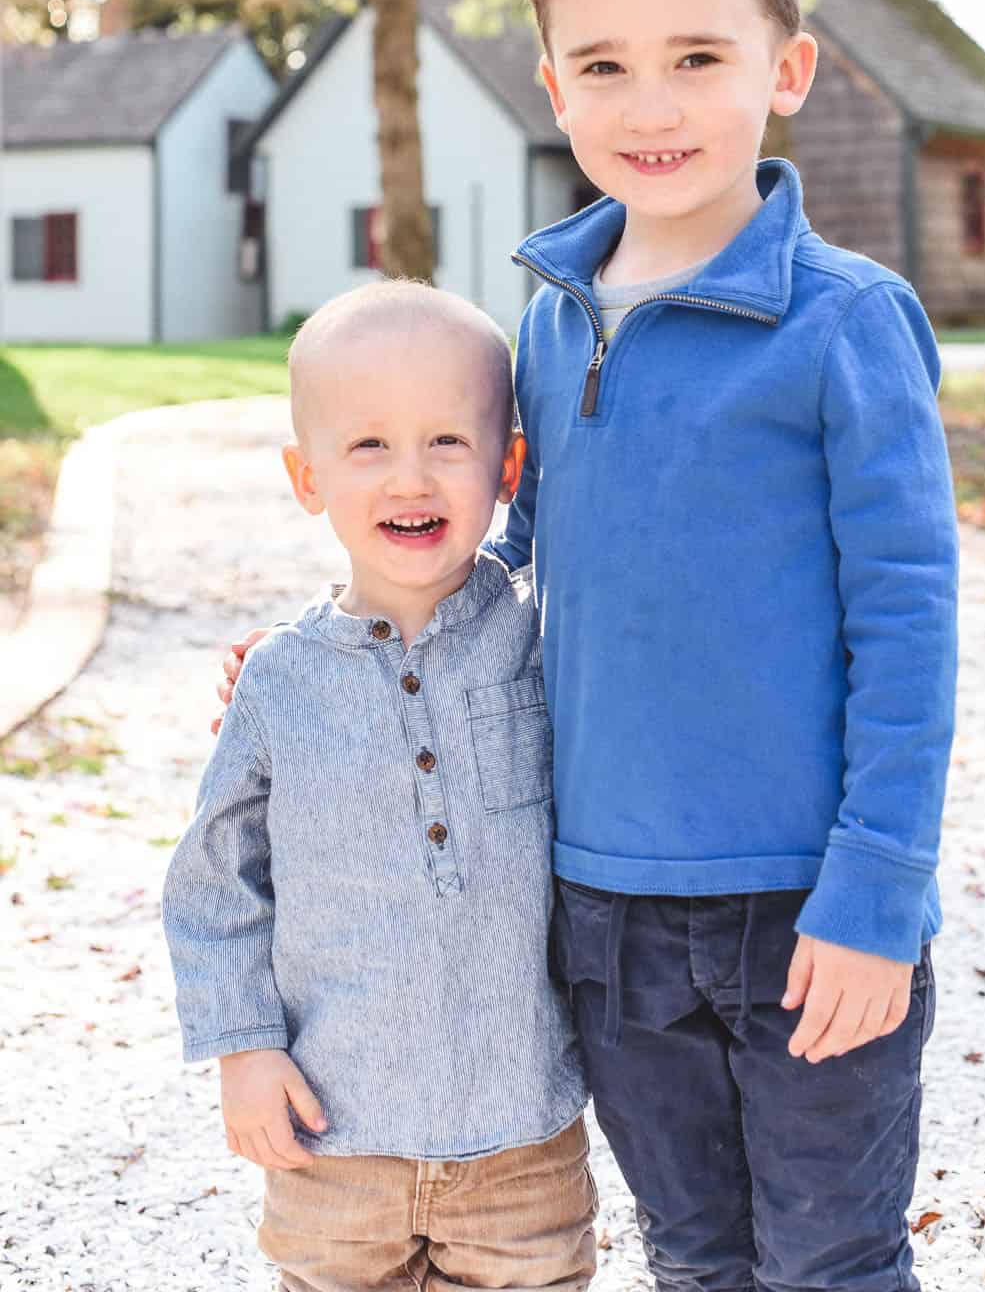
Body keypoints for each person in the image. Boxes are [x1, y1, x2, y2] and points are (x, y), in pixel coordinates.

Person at [221, 0, 958, 1292]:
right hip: (603, 909)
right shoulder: (551, 326)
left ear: (787, 69)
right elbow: (507, 563)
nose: (650, 105)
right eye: (605, 67)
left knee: (829, 1259)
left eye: (697, 58)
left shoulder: (844, 323)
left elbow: (907, 625)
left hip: (803, 901)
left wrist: (877, 889)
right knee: (693, 1254)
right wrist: (351, 645)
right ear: (555, 91)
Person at [165, 282, 593, 1292]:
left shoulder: (546, 641)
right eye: (368, 446)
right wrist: (242, 1049)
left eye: (449, 440)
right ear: (306, 476)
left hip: (522, 1138)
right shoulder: (280, 678)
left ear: (508, 467)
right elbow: (217, 884)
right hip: (331, 1140)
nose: (412, 477)